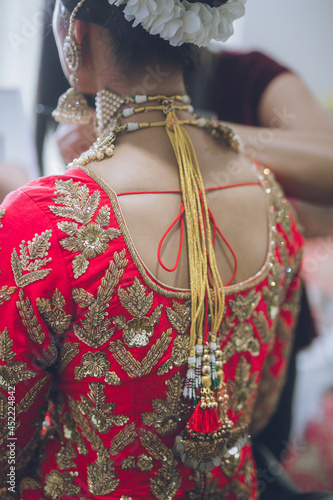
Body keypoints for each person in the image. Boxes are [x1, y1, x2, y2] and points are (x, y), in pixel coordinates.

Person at [0, 0, 328, 499]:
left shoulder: (40, 221)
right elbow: (259, 409)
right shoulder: (271, 200)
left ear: (75, 33)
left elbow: (6, 447)